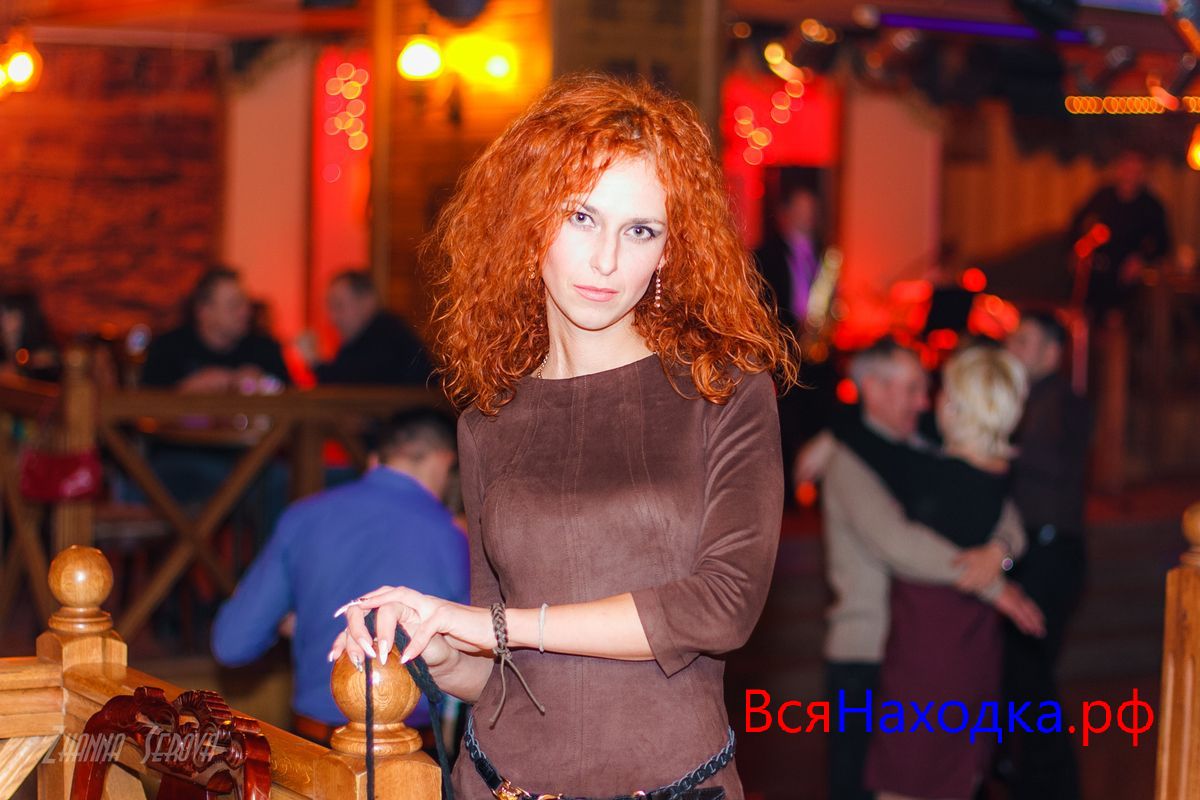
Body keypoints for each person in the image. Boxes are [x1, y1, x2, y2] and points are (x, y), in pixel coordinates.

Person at [329, 74, 799, 799]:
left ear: (669, 251)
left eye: (640, 230)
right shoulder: (488, 419)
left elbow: (722, 606)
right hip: (498, 783)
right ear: (530, 222)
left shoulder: (725, 390)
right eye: (581, 217)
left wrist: (495, 626)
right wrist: (433, 643)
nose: (607, 259)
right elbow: (501, 671)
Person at [797, 339, 1042, 800]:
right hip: (865, 654)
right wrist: (995, 587)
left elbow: (1004, 509)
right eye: (912, 389)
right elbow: (900, 545)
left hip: (918, 654)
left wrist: (1000, 549)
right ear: (872, 388)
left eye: (928, 389)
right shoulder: (852, 463)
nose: (923, 402)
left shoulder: (925, 451)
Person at [211, 408, 468, 744]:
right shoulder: (454, 536)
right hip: (412, 748)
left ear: (376, 460)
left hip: (315, 744)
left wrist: (302, 620)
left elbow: (232, 643)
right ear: (444, 460)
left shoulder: (303, 516)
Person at [861, 347, 1033, 800]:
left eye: (941, 392)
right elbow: (1014, 524)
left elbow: (903, 544)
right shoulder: (995, 474)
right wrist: (1002, 553)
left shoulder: (931, 475)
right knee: (956, 780)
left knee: (906, 785)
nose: (930, 400)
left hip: (928, 659)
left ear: (955, 408)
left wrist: (829, 439)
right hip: (973, 649)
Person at [1000, 311, 1091, 800]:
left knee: (1030, 680)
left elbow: (1053, 461)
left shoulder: (1065, 403)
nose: (1012, 346)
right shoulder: (1028, 399)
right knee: (1021, 678)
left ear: (1053, 353)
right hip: (1034, 552)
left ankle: (1052, 785)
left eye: (1024, 340)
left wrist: (998, 444)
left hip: (1052, 554)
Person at [141, 266, 290, 392]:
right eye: (234, 305)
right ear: (204, 311)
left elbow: (290, 398)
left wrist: (265, 384)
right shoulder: (168, 349)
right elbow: (146, 405)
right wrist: (187, 389)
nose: (245, 312)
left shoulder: (265, 349)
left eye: (246, 303)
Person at [1068, 149, 1170, 322]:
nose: (1130, 175)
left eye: (1136, 171)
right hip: (1096, 270)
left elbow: (1164, 242)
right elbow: (1077, 223)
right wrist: (1077, 250)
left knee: (1122, 314)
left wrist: (1142, 260)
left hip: (1127, 278)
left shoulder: (1151, 205)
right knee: (1081, 310)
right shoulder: (1103, 196)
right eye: (1127, 168)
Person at [299, 269, 434, 386]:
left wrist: (315, 362)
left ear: (367, 302)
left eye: (339, 305)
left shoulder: (387, 337)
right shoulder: (362, 338)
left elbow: (348, 389)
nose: (332, 318)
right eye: (330, 308)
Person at [0, 290, 60, 381]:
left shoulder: (42, 347)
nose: (3, 321)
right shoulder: (3, 344)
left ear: (26, 318)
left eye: (11, 315)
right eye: (2, 315)